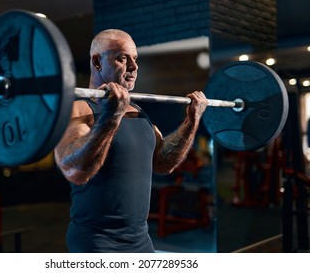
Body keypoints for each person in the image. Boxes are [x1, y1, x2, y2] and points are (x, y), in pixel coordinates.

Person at [54, 29, 208, 253]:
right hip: (96, 243)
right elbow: (76, 172)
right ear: (97, 62)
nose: (134, 68)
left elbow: (164, 163)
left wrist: (192, 121)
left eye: (135, 59)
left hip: (141, 242)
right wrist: (111, 116)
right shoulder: (77, 109)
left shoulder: (138, 112)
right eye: (122, 58)